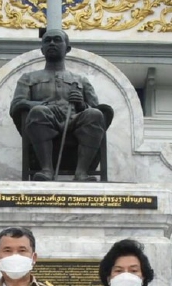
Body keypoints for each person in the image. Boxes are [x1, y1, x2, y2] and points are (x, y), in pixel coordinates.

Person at [10, 29, 110, 182]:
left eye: (57, 40)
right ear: (42, 49)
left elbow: (96, 108)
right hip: (45, 121)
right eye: (47, 41)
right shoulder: (28, 78)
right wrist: (45, 105)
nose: (52, 43)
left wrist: (82, 105)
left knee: (95, 115)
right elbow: (17, 105)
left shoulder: (80, 79)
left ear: (67, 48)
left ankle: (81, 172)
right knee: (38, 112)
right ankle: (46, 170)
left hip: (75, 121)